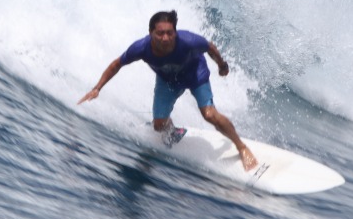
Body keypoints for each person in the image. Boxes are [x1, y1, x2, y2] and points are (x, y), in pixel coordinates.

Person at [78, 10, 258, 171]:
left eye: (169, 33)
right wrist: (97, 88)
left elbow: (210, 47)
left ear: (175, 32)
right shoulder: (141, 48)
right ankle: (174, 133)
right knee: (158, 126)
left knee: (209, 114)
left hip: (195, 75)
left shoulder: (188, 41)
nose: (165, 38)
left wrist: (222, 65)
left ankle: (241, 147)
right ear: (151, 33)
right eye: (160, 33)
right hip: (168, 81)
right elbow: (117, 64)